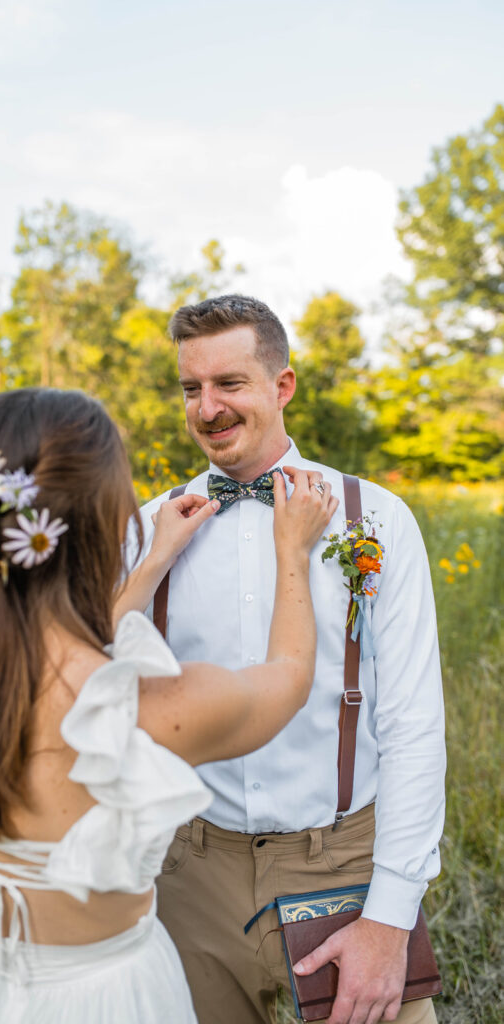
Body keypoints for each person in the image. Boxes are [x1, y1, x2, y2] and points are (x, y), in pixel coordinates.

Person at [0, 387, 336, 1024]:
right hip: (108, 998)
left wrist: (153, 561)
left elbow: (55, 650)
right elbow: (286, 679)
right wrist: (291, 553)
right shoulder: (144, 705)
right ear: (106, 518)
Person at [139, 295, 446, 1024]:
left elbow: (411, 725)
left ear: (282, 387)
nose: (206, 408)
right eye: (190, 388)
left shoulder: (372, 518)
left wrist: (389, 917)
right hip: (189, 869)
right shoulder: (150, 527)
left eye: (229, 384)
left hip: (343, 862)